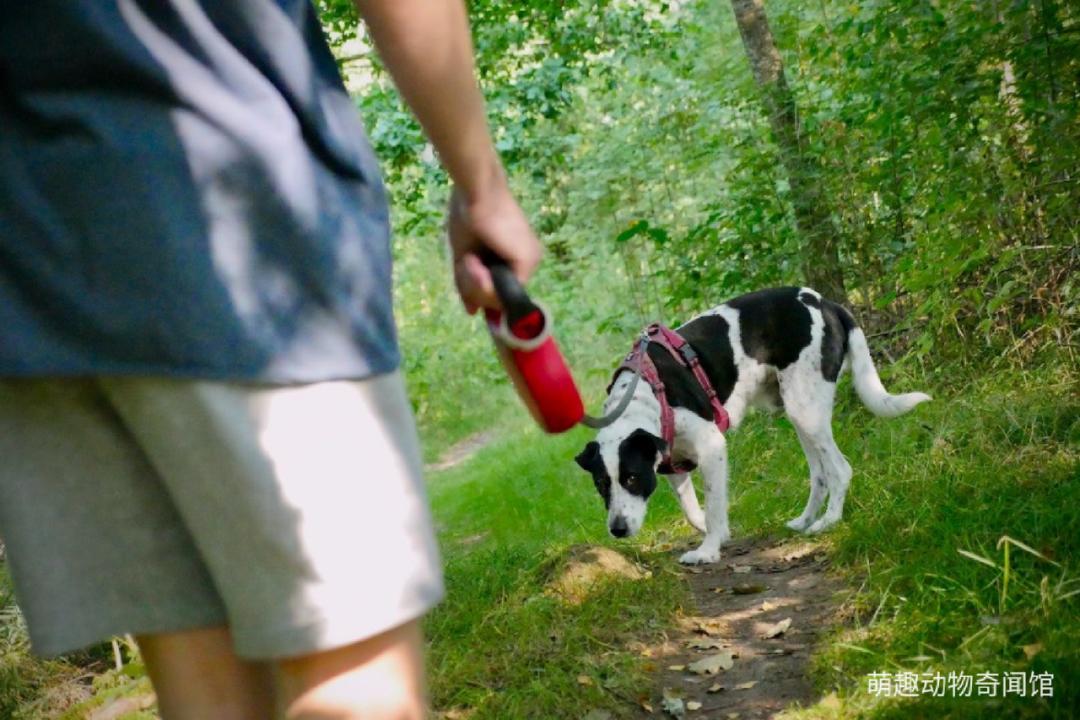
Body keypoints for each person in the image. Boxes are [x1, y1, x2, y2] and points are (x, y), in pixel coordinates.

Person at [0, 0, 541, 718]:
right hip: (243, 234)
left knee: (205, 692)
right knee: (357, 685)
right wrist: (484, 186)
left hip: (34, 269)